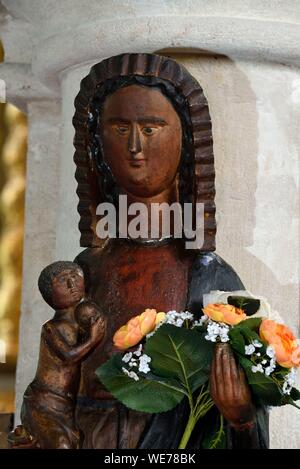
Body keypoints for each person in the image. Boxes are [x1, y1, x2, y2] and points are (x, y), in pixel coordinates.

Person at [72, 53, 269, 449]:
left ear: (185, 141)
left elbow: (244, 419)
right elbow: (57, 386)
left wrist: (241, 417)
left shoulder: (210, 277)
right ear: (96, 140)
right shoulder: (83, 271)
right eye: (119, 126)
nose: (134, 146)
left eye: (151, 128)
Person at [10, 261, 106, 449]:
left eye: (75, 277)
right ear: (50, 295)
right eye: (63, 281)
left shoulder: (84, 322)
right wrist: (93, 339)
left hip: (66, 404)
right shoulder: (51, 328)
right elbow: (69, 356)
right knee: (61, 445)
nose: (72, 285)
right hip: (44, 402)